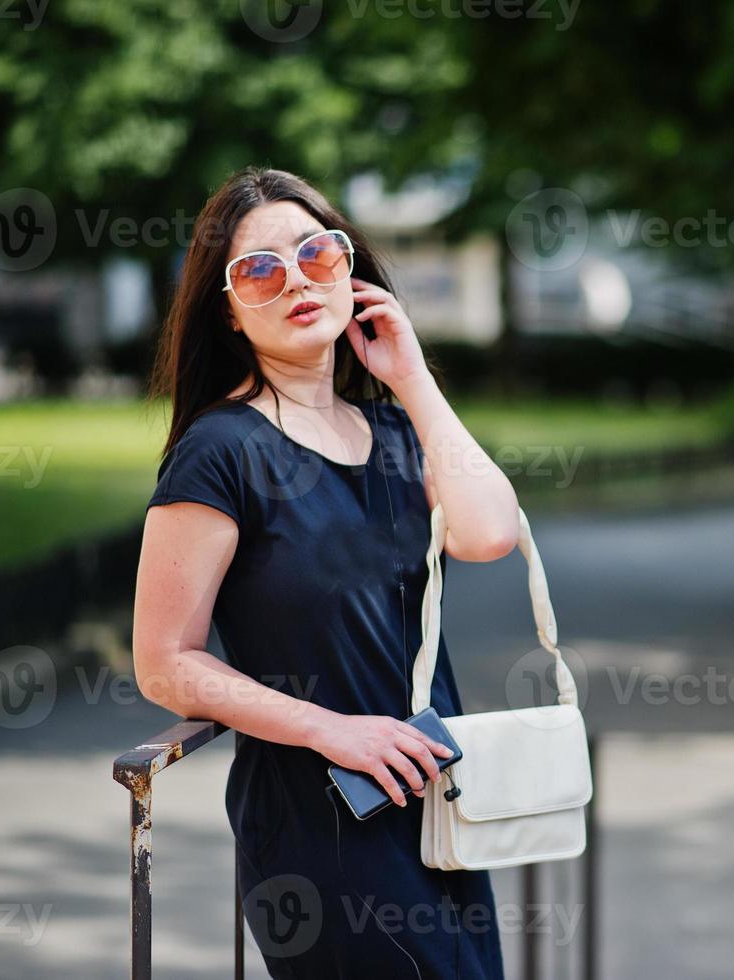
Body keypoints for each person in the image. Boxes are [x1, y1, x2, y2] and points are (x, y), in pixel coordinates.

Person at [133, 167, 520, 978]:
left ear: (353, 271)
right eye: (260, 270)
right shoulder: (219, 453)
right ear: (229, 312)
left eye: (318, 254)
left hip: (431, 800)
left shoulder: (394, 429)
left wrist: (410, 378)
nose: (297, 281)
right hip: (321, 824)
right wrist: (328, 729)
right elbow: (164, 663)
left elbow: (488, 534)